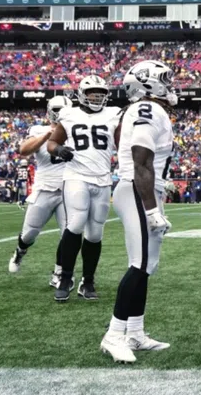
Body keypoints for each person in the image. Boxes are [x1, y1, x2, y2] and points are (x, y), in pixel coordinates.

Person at [101, 60, 177, 364]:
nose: (170, 85)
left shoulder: (145, 110)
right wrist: (151, 209)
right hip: (136, 189)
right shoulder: (148, 108)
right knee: (139, 263)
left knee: (147, 266)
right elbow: (140, 160)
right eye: (164, 79)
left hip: (142, 188)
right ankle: (113, 335)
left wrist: (160, 186)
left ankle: (135, 332)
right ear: (149, 83)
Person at [47, 75, 122, 302]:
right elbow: (52, 143)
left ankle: (87, 281)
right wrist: (59, 150)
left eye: (101, 94)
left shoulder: (113, 114)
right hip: (76, 176)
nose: (97, 97)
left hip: (103, 179)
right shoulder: (69, 114)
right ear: (82, 94)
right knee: (76, 224)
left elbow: (121, 145)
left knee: (96, 232)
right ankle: (65, 278)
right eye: (92, 93)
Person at [8, 96, 74, 281]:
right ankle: (20, 251)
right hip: (44, 188)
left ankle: (59, 272)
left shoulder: (75, 129)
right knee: (29, 234)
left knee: (68, 235)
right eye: (58, 110)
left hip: (68, 189)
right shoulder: (38, 129)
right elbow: (23, 150)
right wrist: (47, 135)